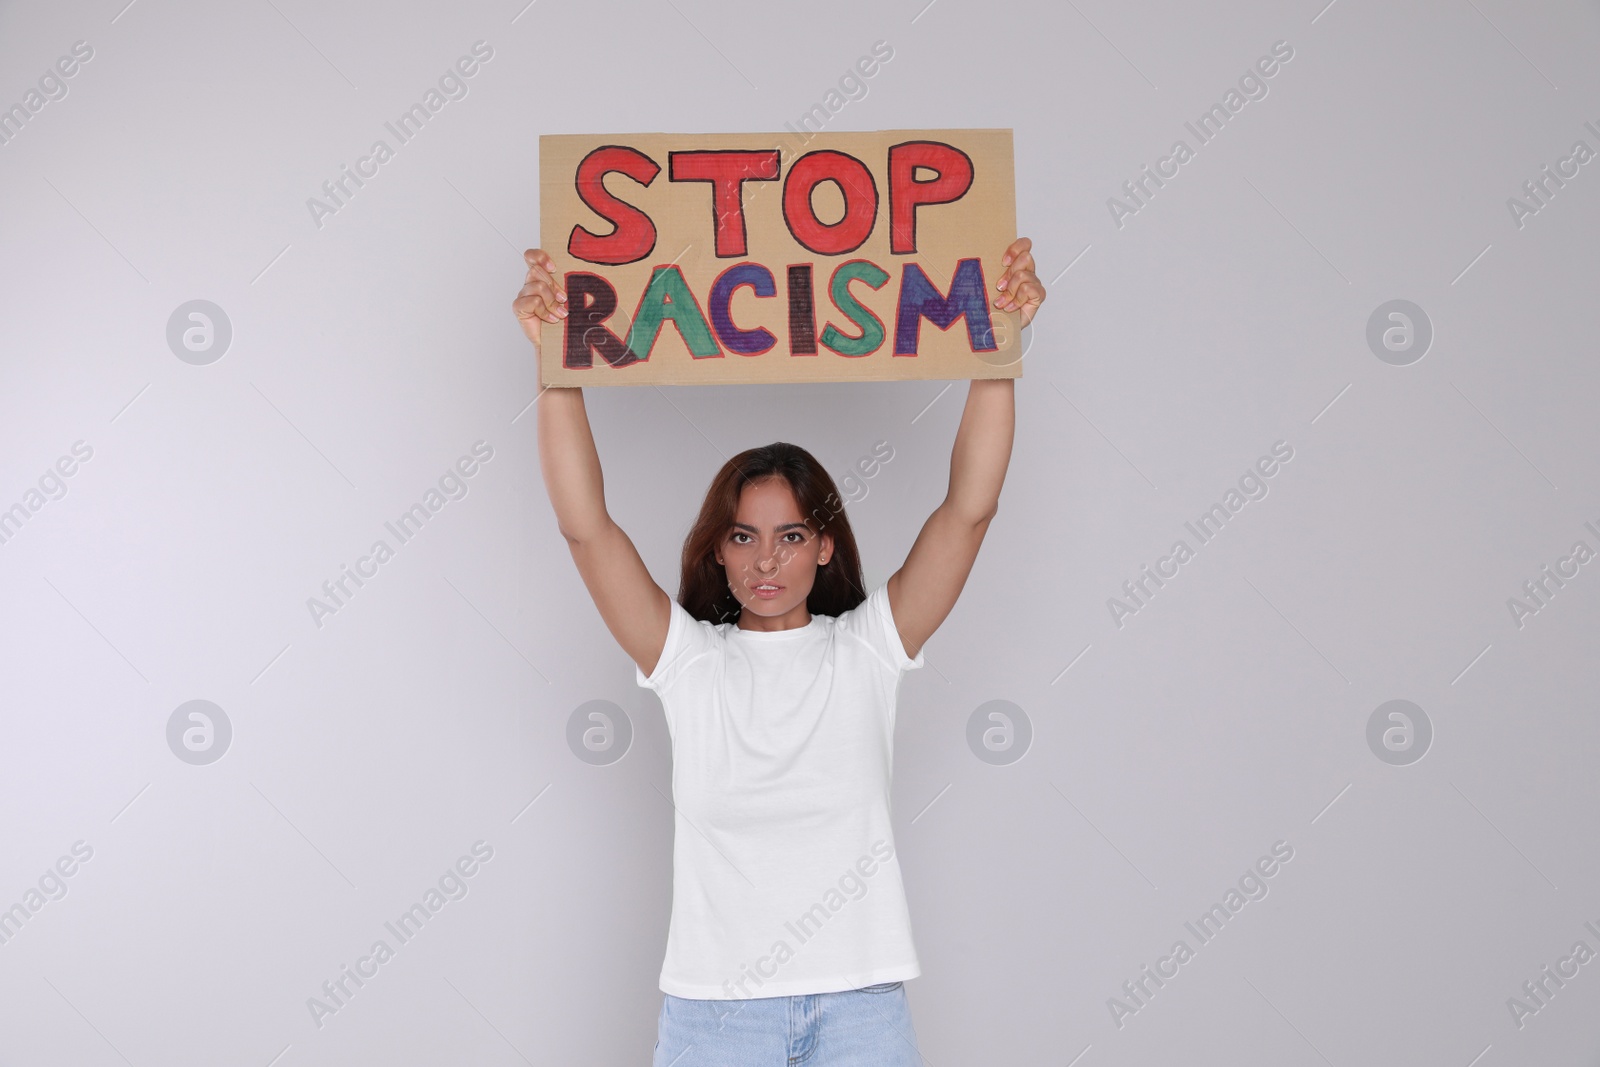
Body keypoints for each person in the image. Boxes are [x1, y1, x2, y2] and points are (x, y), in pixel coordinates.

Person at [514, 239, 1045, 1065]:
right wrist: (557, 364)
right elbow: (586, 526)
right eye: (744, 536)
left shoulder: (869, 650)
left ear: (825, 547)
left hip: (861, 1005)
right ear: (718, 550)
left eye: (791, 535)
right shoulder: (689, 663)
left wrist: (998, 349)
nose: (767, 561)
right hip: (716, 1016)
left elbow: (969, 510)